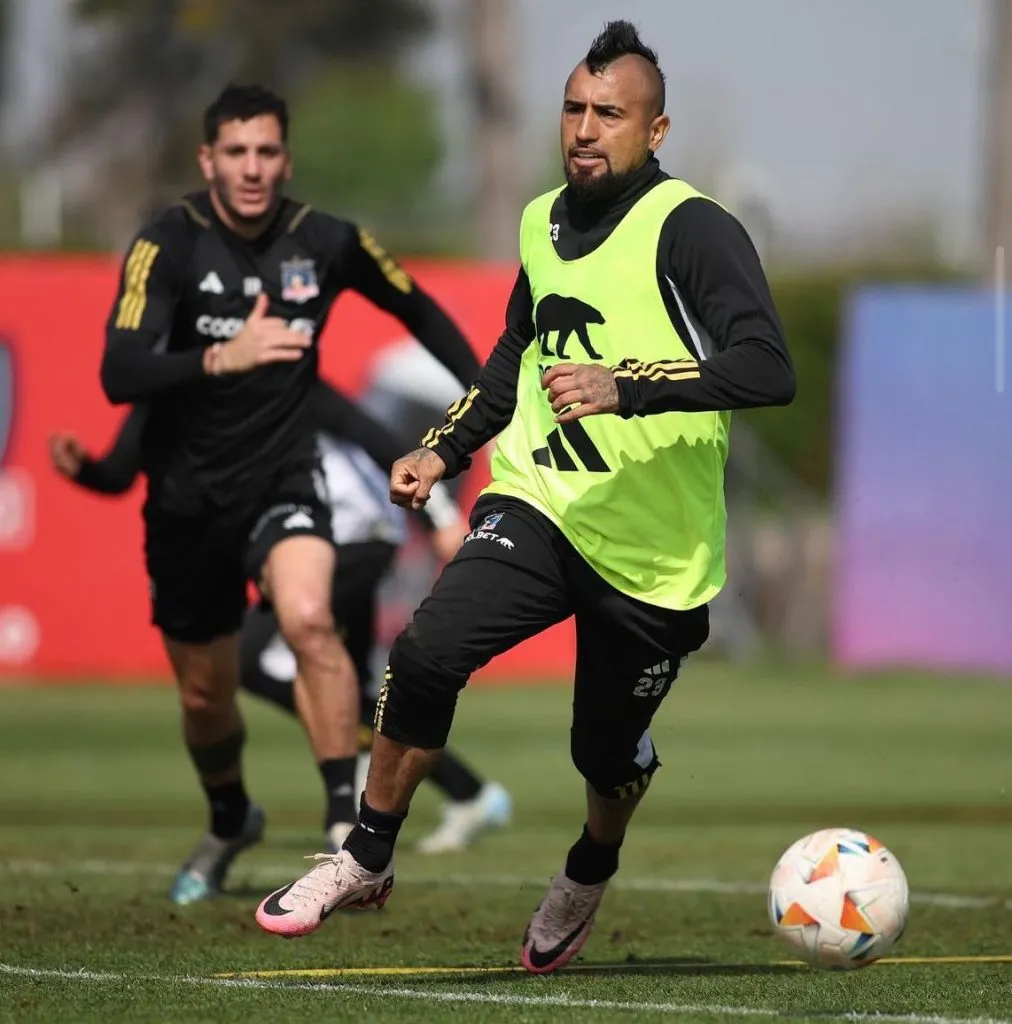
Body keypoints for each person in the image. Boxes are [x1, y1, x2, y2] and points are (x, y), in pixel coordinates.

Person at [256, 20, 796, 967]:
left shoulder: (695, 228)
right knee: (425, 653)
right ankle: (367, 855)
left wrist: (627, 387)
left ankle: (591, 863)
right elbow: (517, 351)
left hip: (657, 555)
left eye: (610, 114)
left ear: (656, 131)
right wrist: (444, 449)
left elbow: (767, 366)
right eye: (574, 108)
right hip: (541, 504)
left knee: (605, 758)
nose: (585, 129)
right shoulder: (541, 220)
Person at [96, 82, 480, 903]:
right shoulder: (166, 243)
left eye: (266, 152)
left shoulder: (327, 239)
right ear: (207, 160)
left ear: (286, 160)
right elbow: (119, 371)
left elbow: (417, 308)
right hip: (187, 501)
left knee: (309, 617)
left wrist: (490, 398)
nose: (252, 168)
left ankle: (345, 827)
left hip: (284, 477)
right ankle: (231, 817)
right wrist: (218, 357)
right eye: (236, 152)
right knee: (206, 694)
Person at [50, 383, 512, 856]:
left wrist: (439, 519)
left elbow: (377, 440)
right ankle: (465, 792)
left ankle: (387, 780)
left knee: (256, 659)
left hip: (353, 535)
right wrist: (84, 468)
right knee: (347, 687)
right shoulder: (173, 389)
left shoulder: (284, 379)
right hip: (319, 539)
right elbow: (121, 467)